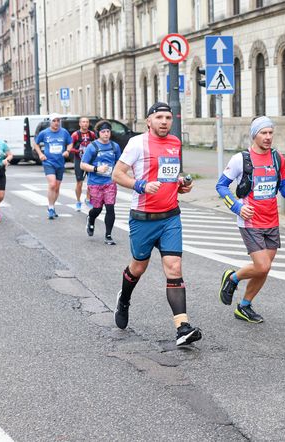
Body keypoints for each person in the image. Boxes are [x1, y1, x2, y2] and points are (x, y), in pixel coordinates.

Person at [111, 102, 200, 347]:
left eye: (168, 117)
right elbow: (117, 174)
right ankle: (124, 299)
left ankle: (182, 327)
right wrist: (141, 185)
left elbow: (170, 175)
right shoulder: (137, 143)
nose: (164, 121)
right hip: (143, 218)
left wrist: (181, 184)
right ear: (148, 121)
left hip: (170, 216)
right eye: (159, 117)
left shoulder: (174, 142)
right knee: (138, 267)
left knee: (174, 268)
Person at [216, 116, 285, 323]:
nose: (268, 137)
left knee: (265, 269)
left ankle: (244, 306)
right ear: (255, 134)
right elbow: (221, 186)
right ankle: (232, 278)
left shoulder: (278, 158)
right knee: (262, 266)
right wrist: (237, 207)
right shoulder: (241, 159)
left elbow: (283, 184)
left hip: (272, 220)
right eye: (264, 133)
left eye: (271, 132)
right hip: (250, 220)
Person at [79, 120, 121, 245]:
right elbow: (82, 165)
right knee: (97, 209)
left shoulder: (115, 146)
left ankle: (108, 235)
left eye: (108, 131)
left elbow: (120, 163)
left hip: (110, 182)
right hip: (95, 182)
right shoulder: (93, 147)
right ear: (98, 133)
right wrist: (96, 169)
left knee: (110, 208)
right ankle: (90, 219)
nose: (106, 134)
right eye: (103, 132)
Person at [33, 114, 73, 219]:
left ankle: (52, 205)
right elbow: (35, 143)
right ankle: (50, 207)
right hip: (48, 162)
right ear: (50, 122)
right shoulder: (44, 133)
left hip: (60, 162)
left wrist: (67, 151)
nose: (56, 122)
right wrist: (40, 154)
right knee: (52, 184)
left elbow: (70, 143)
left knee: (57, 187)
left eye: (58, 120)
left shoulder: (64, 132)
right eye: (54, 121)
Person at [70, 117, 97, 211]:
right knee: (79, 182)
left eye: (87, 122)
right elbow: (70, 148)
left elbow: (96, 144)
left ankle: (88, 199)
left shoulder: (92, 134)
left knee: (91, 182)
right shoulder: (75, 135)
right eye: (83, 122)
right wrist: (78, 151)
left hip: (90, 161)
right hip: (79, 160)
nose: (85, 124)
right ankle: (78, 201)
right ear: (80, 124)